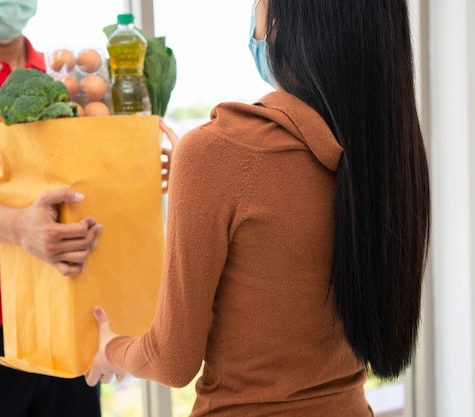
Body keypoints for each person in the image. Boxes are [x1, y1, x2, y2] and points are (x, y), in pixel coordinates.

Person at [85, 0, 431, 416]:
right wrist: (201, 177)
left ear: (298, 21)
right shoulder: (389, 156)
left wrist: (111, 349)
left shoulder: (218, 152)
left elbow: (170, 361)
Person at [0, 0, 173, 416]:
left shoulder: (71, 76)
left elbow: (92, 187)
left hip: (69, 309)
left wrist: (141, 172)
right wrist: (20, 228)